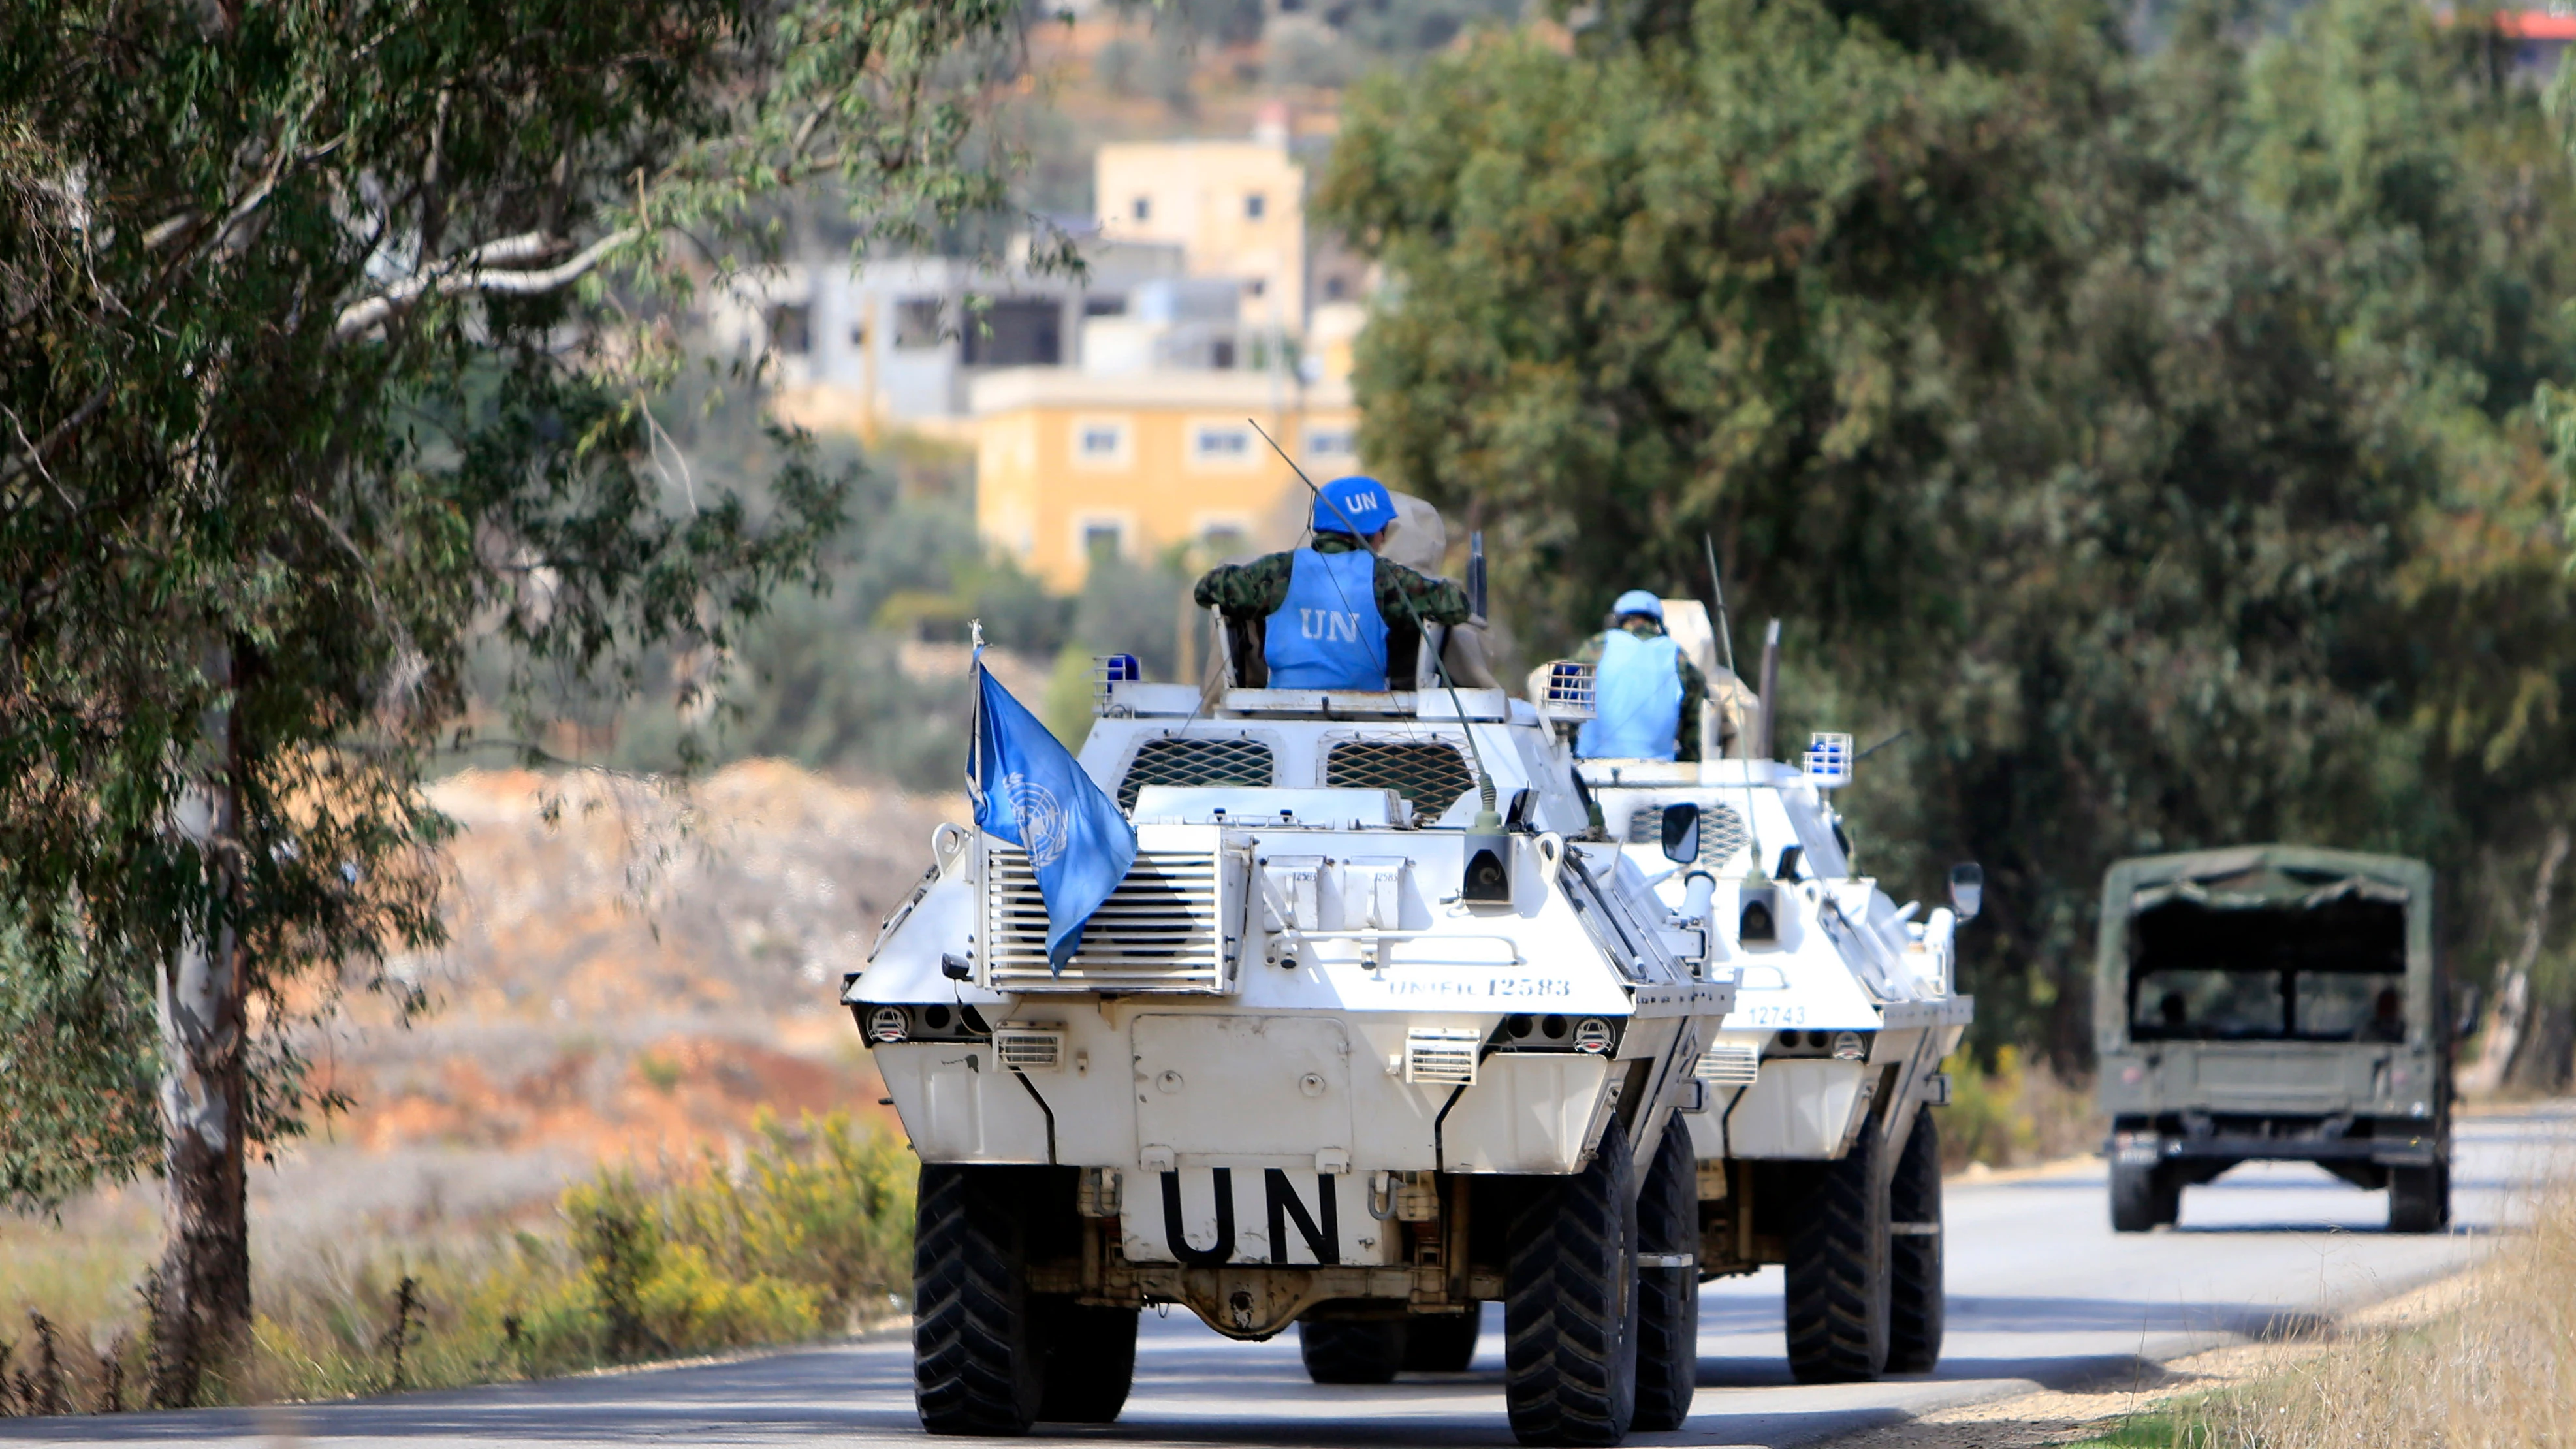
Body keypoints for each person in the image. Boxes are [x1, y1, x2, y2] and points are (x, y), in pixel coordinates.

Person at [1193, 475, 1471, 691]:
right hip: (1366, 719)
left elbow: (1206, 590)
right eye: (1383, 529)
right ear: (1370, 531)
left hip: (1281, 710)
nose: (1384, 539)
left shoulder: (1279, 570)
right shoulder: (1385, 578)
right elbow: (1456, 606)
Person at [1574, 591, 1709, 761]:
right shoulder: (1677, 656)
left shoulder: (1597, 646)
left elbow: (1567, 693)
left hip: (1592, 764)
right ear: (1656, 622)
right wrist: (1689, 761)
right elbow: (1693, 719)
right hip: (1658, 768)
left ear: (1617, 619)